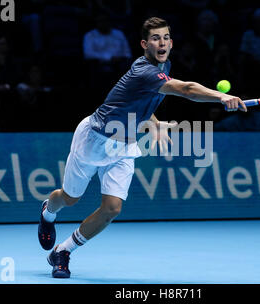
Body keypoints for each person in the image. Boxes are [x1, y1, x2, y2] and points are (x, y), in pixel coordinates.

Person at [38, 17, 246, 279]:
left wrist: (155, 123)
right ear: (144, 44)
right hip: (94, 139)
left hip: (124, 145)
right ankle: (48, 210)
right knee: (69, 199)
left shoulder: (163, 65)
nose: (162, 42)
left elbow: (140, 102)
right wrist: (221, 96)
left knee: (112, 209)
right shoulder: (143, 70)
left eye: (166, 37)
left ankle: (63, 251)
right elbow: (187, 89)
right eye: (156, 38)